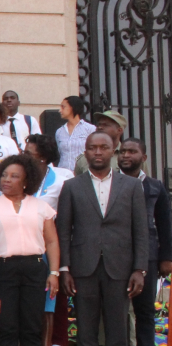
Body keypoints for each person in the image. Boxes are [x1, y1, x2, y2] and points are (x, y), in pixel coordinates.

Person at [56, 131, 147, 346]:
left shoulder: (132, 186)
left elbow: (141, 230)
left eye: (103, 147)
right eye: (92, 148)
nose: (98, 152)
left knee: (118, 331)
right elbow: (63, 231)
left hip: (120, 268)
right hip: (83, 267)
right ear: (85, 152)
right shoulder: (71, 187)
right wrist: (65, 269)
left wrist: (139, 269)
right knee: (86, 330)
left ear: (113, 151)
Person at [0, 154, 59, 346]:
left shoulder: (41, 206)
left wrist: (54, 272)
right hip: (3, 269)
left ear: (26, 181)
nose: (7, 179)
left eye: (14, 176)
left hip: (34, 267)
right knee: (7, 327)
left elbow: (52, 242)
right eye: (4, 175)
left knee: (32, 327)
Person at [119, 138, 172, 346]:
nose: (126, 155)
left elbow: (164, 223)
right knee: (117, 312)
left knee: (145, 312)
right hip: (117, 254)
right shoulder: (111, 182)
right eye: (122, 152)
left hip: (148, 256)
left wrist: (166, 257)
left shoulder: (155, 186)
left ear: (144, 157)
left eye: (132, 152)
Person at [24, 134, 72, 209]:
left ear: (43, 157)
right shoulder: (19, 179)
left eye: (28, 154)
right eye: (23, 153)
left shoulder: (61, 183)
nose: (23, 157)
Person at [73, 110, 127, 175]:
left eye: (105, 125)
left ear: (119, 130)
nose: (100, 127)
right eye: (99, 124)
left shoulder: (128, 156)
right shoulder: (84, 158)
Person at [53, 96, 93, 170]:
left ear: (73, 107)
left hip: (82, 172)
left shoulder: (90, 129)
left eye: (63, 107)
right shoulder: (59, 132)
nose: (60, 110)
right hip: (64, 174)